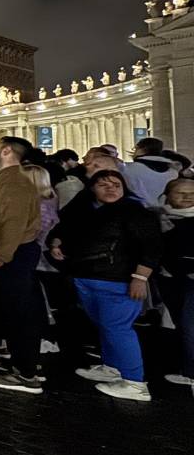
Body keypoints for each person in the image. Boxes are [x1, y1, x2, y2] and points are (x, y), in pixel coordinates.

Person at [48, 169, 162, 401]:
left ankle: (135, 382)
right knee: (106, 326)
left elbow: (151, 247)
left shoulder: (135, 212)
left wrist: (140, 278)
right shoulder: (82, 209)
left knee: (118, 328)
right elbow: (64, 227)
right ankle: (113, 367)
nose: (110, 189)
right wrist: (57, 241)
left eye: (116, 185)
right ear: (92, 188)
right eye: (103, 185)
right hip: (86, 276)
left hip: (118, 279)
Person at [0, 137, 46, 395]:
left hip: (14, 254)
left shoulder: (13, 183)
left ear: (6, 151)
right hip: (15, 252)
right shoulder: (10, 181)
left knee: (19, 314)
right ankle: (23, 364)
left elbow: (12, 223)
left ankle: (26, 374)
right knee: (16, 312)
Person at [158, 177, 194, 389]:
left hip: (190, 279)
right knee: (181, 322)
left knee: (190, 326)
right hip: (170, 278)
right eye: (180, 192)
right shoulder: (159, 217)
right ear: (167, 196)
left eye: (192, 193)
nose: (187, 197)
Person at [120, 136, 178, 206]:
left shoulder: (127, 168)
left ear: (141, 149)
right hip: (166, 208)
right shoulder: (174, 172)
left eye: (135, 149)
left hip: (137, 207)